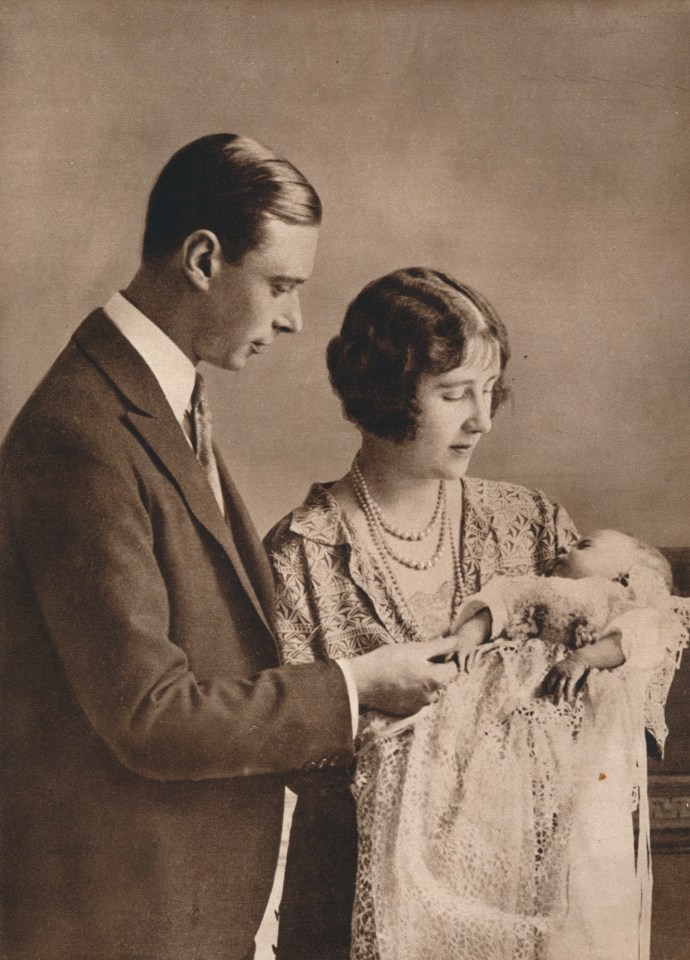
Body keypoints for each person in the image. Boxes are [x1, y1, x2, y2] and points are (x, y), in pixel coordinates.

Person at [0, 137, 458, 960]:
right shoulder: (81, 432)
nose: (295, 318)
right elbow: (150, 717)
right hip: (120, 921)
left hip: (184, 907)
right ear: (204, 258)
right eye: (281, 285)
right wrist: (356, 687)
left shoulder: (160, 401)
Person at [265, 267, 581, 960]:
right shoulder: (302, 556)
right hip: (353, 903)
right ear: (385, 392)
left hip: (518, 903)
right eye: (453, 393)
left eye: (489, 390)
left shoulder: (530, 524)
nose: (482, 418)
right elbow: (291, 751)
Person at [353, 529, 689, 960]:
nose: (564, 549)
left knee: (563, 813)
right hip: (498, 695)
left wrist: (583, 658)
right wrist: (468, 640)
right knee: (467, 765)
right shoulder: (538, 587)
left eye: (584, 546)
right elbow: (498, 606)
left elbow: (629, 640)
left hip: (560, 703)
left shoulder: (623, 602)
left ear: (627, 575)